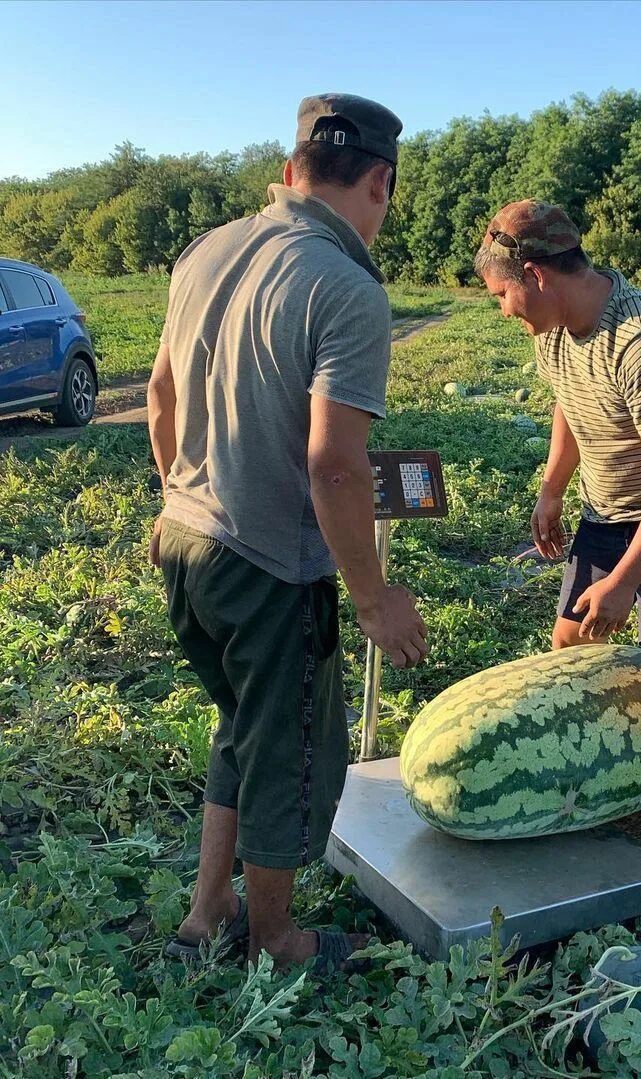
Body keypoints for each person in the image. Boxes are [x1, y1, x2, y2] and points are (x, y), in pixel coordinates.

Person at [147, 93, 429, 972]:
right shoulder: (346, 288)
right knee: (294, 755)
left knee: (242, 727)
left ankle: (208, 912)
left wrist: (178, 498)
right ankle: (277, 938)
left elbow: (159, 398)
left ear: (291, 170)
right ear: (379, 183)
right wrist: (373, 598)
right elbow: (335, 466)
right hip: (270, 567)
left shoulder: (207, 250)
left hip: (188, 546)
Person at [475, 201, 641, 920]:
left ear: (533, 275)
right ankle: (593, 795)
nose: (503, 310)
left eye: (502, 294)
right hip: (610, 507)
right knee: (570, 649)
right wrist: (551, 489)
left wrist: (627, 581)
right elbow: (569, 406)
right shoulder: (557, 328)